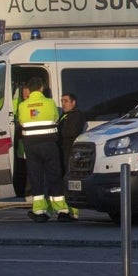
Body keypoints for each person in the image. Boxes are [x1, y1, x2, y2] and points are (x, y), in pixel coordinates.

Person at [17, 76, 71, 223]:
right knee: (54, 176)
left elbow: (21, 122)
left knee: (36, 178)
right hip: (49, 145)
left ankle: (39, 212)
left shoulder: (23, 105)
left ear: (29, 89)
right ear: (41, 88)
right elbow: (55, 117)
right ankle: (62, 211)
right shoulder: (49, 103)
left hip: (31, 147)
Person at [58, 92, 87, 220]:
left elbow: (72, 132)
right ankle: (67, 210)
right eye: (62, 101)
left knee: (71, 181)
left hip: (71, 151)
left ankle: (73, 211)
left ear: (73, 102)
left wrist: (57, 131)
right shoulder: (64, 116)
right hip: (62, 150)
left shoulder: (77, 115)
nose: (63, 104)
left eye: (65, 101)